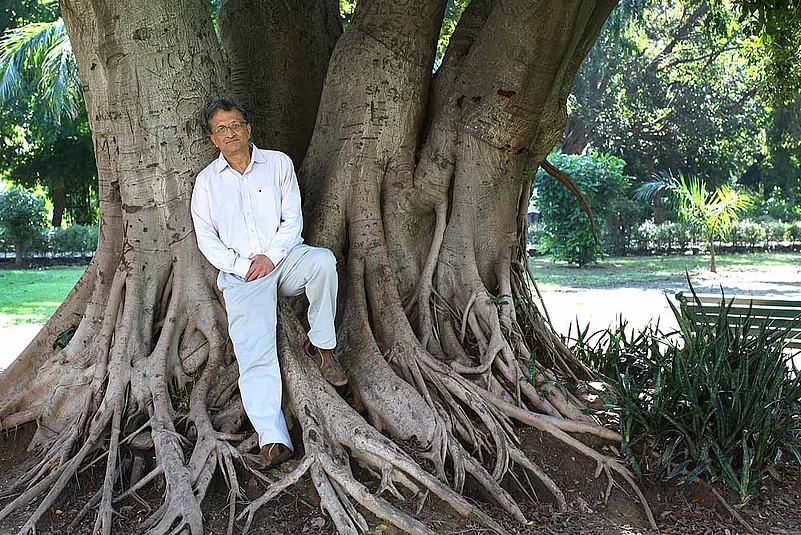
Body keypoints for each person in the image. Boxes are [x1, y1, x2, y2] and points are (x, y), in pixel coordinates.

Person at [191, 98, 347, 470]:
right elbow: (206, 238)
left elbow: (292, 219)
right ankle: (274, 439)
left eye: (235, 125)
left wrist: (271, 258)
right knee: (254, 352)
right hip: (241, 274)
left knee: (323, 263)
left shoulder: (278, 164)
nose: (230, 133)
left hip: (284, 259)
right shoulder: (207, 182)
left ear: (248, 129)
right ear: (214, 139)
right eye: (221, 129)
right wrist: (244, 265)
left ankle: (323, 347)